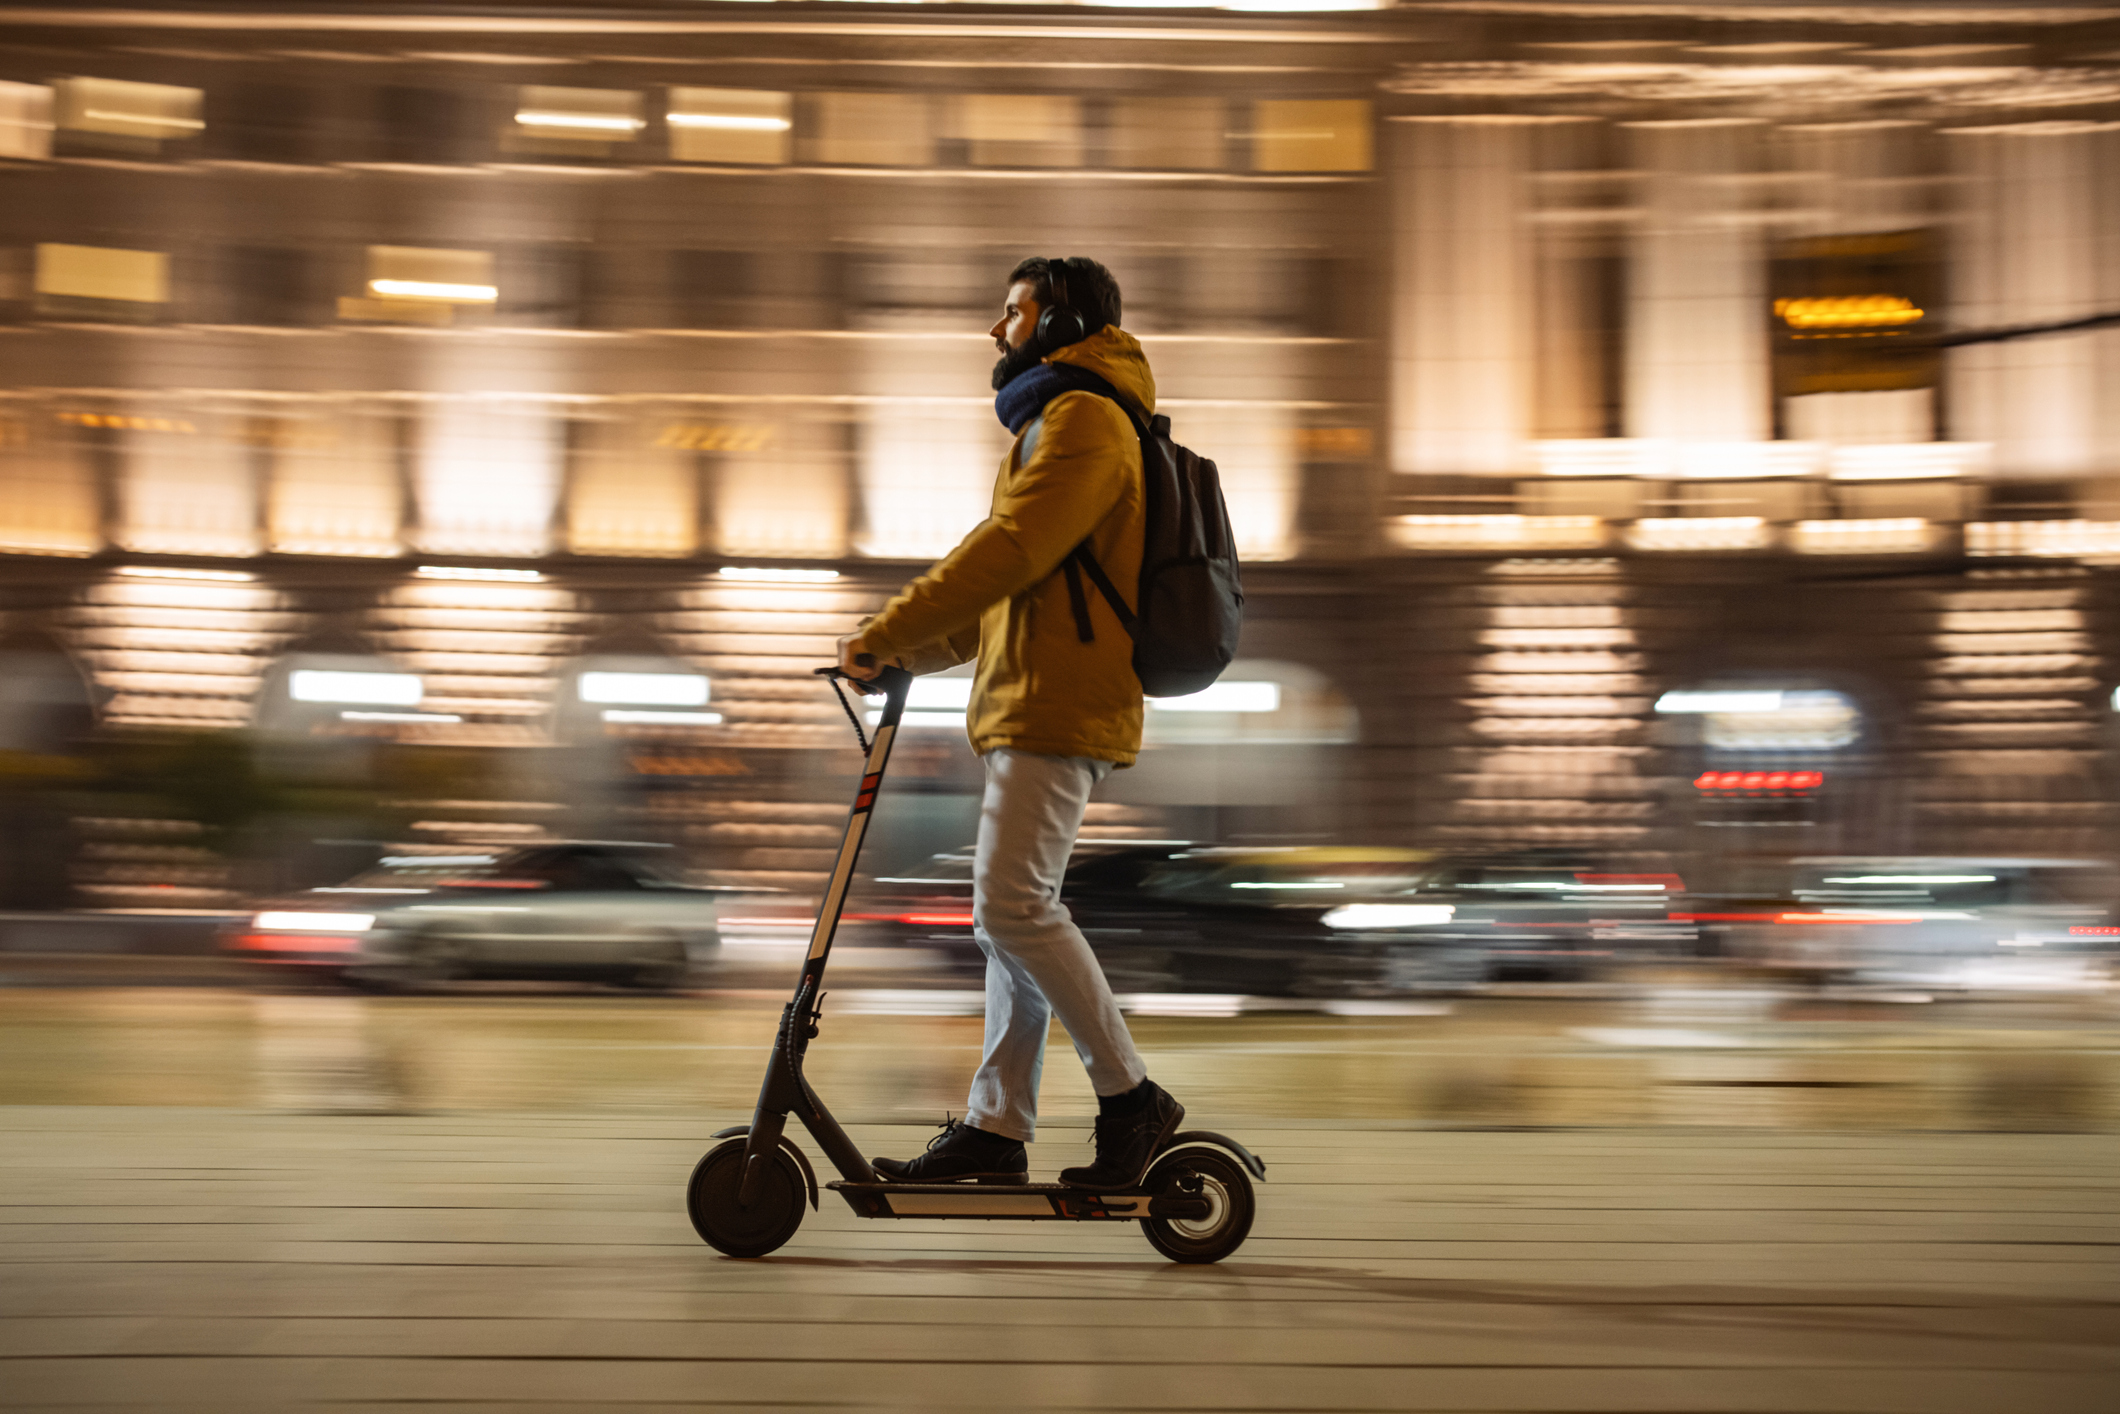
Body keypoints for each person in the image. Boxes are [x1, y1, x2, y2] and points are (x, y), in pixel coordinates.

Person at [835, 256, 1183, 1189]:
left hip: (1059, 705)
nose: (998, 331)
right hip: (1036, 696)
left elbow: (1012, 548)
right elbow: (1014, 594)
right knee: (1006, 920)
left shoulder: (1084, 420)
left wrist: (888, 626)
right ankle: (996, 1127)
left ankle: (1133, 1100)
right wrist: (906, 651)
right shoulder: (1062, 419)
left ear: (1062, 322)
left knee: (1014, 908)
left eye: (1013, 311)